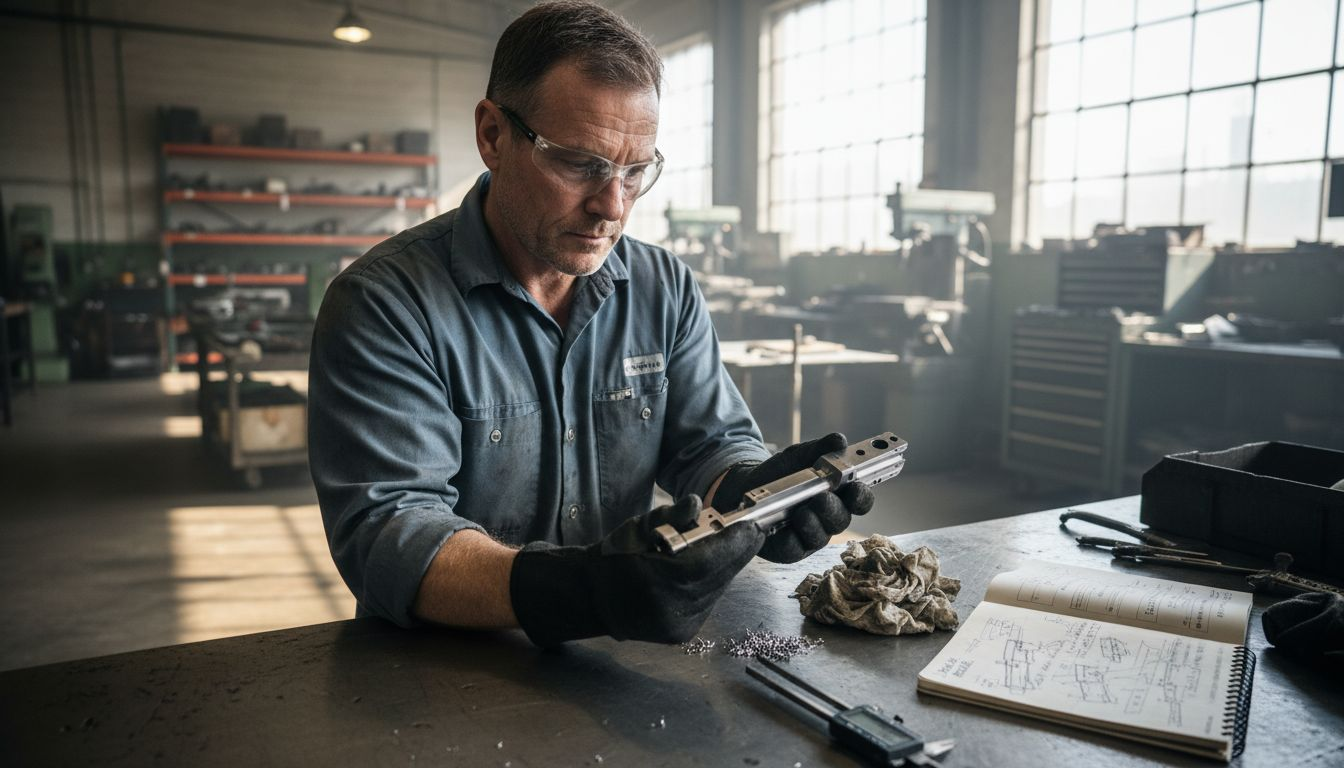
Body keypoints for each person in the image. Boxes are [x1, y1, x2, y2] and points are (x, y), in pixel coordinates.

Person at [307, 0, 874, 648]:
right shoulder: (385, 305)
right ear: (492, 136)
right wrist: (578, 592)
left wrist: (754, 492)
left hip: (616, 662)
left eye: (636, 171)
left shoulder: (663, 288)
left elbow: (707, 446)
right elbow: (389, 533)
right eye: (580, 164)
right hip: (440, 672)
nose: (612, 206)